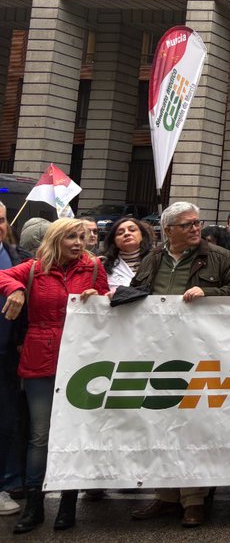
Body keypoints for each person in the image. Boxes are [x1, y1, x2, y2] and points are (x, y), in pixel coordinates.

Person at [129, 201, 230, 528]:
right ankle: (166, 495)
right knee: (163, 423)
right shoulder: (153, 258)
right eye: (187, 225)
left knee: (194, 424)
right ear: (168, 231)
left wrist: (207, 291)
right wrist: (103, 299)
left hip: (199, 352)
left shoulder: (219, 257)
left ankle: (193, 499)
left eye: (197, 223)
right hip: (159, 352)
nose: (196, 228)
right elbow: (136, 292)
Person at [0, 218, 108, 534]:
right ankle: (34, 506)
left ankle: (67, 504)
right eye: (71, 237)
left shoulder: (93, 268)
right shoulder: (34, 268)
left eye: (81, 237)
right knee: (40, 435)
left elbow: (109, 304)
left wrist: (101, 298)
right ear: (55, 239)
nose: (79, 242)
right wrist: (16, 289)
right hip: (41, 359)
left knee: (73, 432)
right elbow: (3, 276)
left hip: (81, 360)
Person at [0, 203, 32, 517]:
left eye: (1, 220)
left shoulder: (20, 258)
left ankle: (5, 485)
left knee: (7, 421)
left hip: (7, 356)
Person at [99, 216, 155, 288]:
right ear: (114, 241)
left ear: (142, 235)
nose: (126, 233)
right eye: (120, 233)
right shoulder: (103, 264)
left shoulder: (156, 259)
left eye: (132, 230)